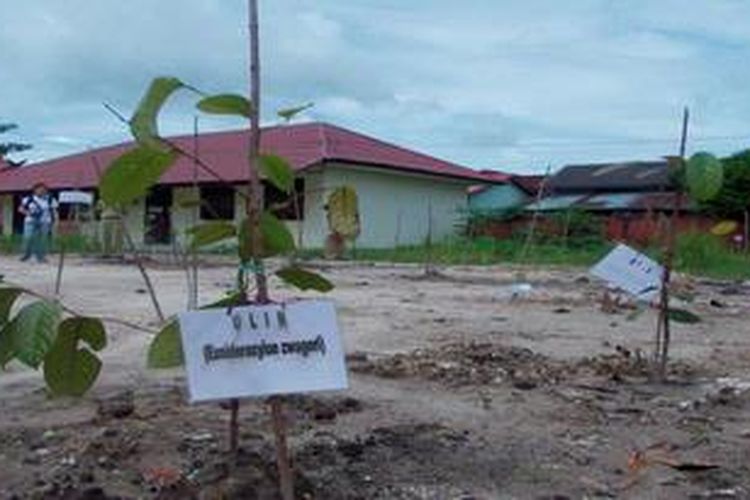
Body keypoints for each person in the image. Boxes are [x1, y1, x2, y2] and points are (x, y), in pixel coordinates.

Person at [19, 182, 58, 263]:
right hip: (30, 221)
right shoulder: (28, 199)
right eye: (39, 189)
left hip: (45, 221)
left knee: (42, 240)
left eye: (43, 190)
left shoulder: (50, 199)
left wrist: (56, 221)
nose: (41, 191)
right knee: (28, 238)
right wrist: (28, 213)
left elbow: (54, 211)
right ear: (34, 190)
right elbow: (20, 209)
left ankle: (40, 257)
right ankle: (26, 255)